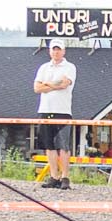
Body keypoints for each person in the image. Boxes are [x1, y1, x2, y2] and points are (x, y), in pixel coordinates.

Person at [32, 41, 77, 189]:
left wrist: (47, 84)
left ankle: (65, 176)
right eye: (54, 49)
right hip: (45, 109)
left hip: (62, 110)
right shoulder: (44, 67)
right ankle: (53, 176)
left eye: (59, 50)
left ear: (63, 51)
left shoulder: (69, 67)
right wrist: (54, 84)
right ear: (50, 51)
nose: (56, 52)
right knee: (49, 145)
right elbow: (37, 88)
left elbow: (64, 84)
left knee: (63, 146)